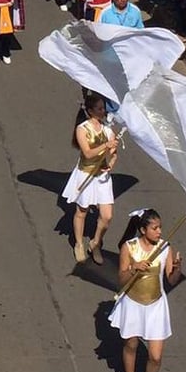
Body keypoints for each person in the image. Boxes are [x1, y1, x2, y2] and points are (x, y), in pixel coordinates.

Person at [108, 208, 183, 372]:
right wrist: (134, 268)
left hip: (155, 306)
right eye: (155, 228)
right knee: (131, 345)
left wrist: (177, 268)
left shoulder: (165, 248)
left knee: (156, 356)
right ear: (143, 230)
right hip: (133, 304)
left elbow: (171, 279)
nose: (159, 232)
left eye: (160, 227)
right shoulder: (129, 247)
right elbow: (121, 279)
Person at [62, 93, 118, 264]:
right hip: (86, 173)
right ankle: (79, 244)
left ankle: (95, 242)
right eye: (100, 108)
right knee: (82, 211)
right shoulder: (82, 129)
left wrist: (112, 161)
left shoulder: (107, 130)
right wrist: (105, 146)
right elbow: (87, 153)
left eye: (104, 108)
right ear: (91, 111)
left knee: (107, 216)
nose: (103, 111)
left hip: (102, 176)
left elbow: (114, 155)